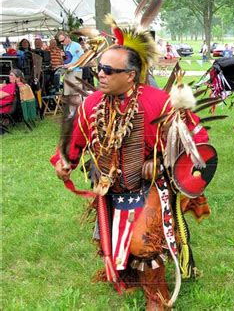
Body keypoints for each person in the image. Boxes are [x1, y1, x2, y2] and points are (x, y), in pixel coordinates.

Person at [51, 22, 211, 310]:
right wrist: (65, 162)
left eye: (109, 71)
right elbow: (75, 141)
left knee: (144, 243)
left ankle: (156, 296)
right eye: (100, 68)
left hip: (149, 185)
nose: (100, 74)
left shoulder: (159, 103)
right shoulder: (92, 106)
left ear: (131, 76)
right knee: (113, 242)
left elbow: (196, 141)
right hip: (110, 187)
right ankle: (133, 276)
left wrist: (160, 162)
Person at [57, 31, 84, 117]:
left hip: (76, 71)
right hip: (67, 71)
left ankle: (79, 112)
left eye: (62, 40)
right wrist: (62, 60)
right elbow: (67, 59)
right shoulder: (65, 47)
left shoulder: (76, 45)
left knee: (75, 93)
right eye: (60, 41)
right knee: (69, 93)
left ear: (67, 37)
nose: (61, 43)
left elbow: (83, 58)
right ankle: (72, 113)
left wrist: (72, 65)